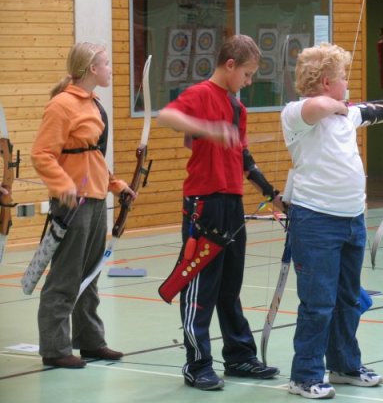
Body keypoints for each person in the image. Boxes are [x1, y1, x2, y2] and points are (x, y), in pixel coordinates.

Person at [281, 42, 383, 399]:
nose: (347, 83)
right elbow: (322, 107)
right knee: (318, 302)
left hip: (351, 219)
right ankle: (305, 375)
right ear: (326, 82)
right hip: (315, 222)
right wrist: (346, 107)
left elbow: (372, 112)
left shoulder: (346, 113)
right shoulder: (297, 114)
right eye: (342, 77)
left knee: (346, 300)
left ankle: (344, 365)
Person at [157, 34, 282, 391]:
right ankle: (197, 364)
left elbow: (242, 155)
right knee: (200, 286)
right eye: (247, 73)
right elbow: (168, 116)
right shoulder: (199, 95)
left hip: (231, 204)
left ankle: (240, 356)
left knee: (229, 286)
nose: (249, 80)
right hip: (204, 205)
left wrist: (270, 192)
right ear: (230, 65)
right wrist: (206, 129)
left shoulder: (237, 108)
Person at [31, 42, 135, 369]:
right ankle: (55, 347)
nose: (109, 69)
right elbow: (41, 154)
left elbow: (93, 156)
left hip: (93, 201)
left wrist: (116, 185)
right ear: (91, 69)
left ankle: (90, 341)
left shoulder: (93, 104)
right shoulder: (62, 106)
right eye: (105, 64)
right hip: (71, 204)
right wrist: (63, 186)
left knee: (89, 276)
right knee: (65, 277)